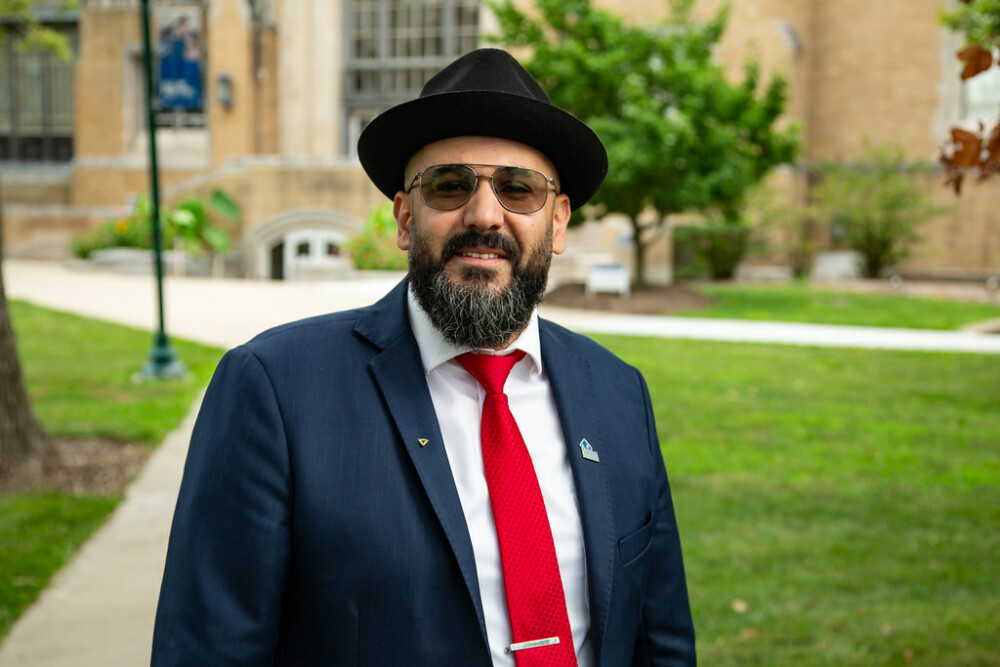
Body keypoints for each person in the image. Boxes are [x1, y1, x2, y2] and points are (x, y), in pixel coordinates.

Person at [152, 48, 695, 666]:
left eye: (518, 189)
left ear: (558, 223)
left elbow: (661, 643)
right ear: (406, 218)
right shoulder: (275, 390)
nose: (484, 215)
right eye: (449, 185)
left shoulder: (619, 393)